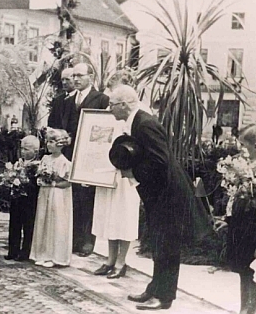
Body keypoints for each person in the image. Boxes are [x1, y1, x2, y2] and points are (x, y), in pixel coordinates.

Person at [109, 85, 194, 311]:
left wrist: (132, 173)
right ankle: (155, 289)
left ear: (124, 104)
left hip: (168, 194)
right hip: (158, 193)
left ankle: (164, 297)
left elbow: (160, 161)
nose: (110, 109)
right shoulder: (137, 121)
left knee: (166, 245)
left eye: (112, 104)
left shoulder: (145, 124)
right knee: (158, 243)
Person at [92, 71, 143, 279]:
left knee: (124, 216)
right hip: (108, 170)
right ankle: (109, 259)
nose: (110, 97)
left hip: (127, 174)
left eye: (115, 90)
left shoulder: (140, 113)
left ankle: (122, 262)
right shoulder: (110, 111)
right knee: (109, 216)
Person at [216, 123, 256, 314]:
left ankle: (250, 310)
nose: (241, 150)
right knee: (243, 271)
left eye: (244, 146)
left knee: (253, 270)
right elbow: (233, 195)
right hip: (240, 224)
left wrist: (254, 196)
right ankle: (243, 308)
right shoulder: (243, 166)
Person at [62, 62, 109, 257]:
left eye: (80, 75)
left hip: (90, 157)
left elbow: (106, 128)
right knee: (71, 198)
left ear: (91, 76)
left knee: (87, 199)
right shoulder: (68, 100)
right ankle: (73, 239)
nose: (75, 79)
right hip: (69, 155)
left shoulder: (101, 99)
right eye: (74, 76)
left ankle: (88, 241)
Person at [30, 128, 73, 268]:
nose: (48, 144)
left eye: (52, 142)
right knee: (43, 220)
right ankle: (41, 253)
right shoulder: (45, 159)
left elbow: (68, 182)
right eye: (47, 141)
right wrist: (41, 179)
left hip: (58, 196)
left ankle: (55, 256)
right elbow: (39, 176)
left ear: (60, 144)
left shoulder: (65, 162)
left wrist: (53, 182)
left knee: (55, 222)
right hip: (44, 194)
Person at [5, 135, 40, 262]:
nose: (23, 152)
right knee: (14, 224)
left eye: (26, 149)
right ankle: (12, 250)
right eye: (22, 149)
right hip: (16, 197)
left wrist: (24, 182)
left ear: (35, 151)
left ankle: (25, 251)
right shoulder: (18, 163)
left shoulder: (36, 165)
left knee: (28, 225)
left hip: (29, 199)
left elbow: (35, 184)